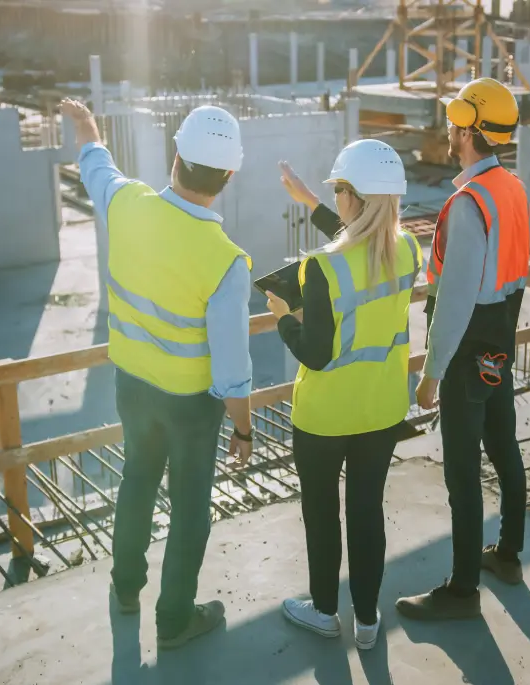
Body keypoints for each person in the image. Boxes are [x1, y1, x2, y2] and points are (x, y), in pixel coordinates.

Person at [61, 98, 256, 649]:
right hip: (191, 407)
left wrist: (87, 127)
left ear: (175, 156)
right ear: (229, 175)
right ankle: (173, 621)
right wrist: (242, 429)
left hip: (132, 387)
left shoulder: (128, 203)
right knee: (191, 507)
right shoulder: (225, 260)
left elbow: (97, 165)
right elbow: (233, 369)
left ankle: (125, 589)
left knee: (137, 482)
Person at [266, 140, 421, 650]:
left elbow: (313, 352)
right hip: (381, 410)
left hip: (324, 418)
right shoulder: (408, 251)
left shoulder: (320, 269)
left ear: (353, 196)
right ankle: (369, 622)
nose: (337, 198)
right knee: (366, 511)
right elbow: (362, 242)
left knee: (321, 514)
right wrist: (311, 200)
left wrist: (283, 318)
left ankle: (326, 611)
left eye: (338, 191)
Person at [394, 78, 530, 621]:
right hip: (500, 342)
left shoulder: (468, 205)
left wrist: (432, 372)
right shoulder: (512, 189)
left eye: (455, 122)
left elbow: (454, 302)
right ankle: (510, 555)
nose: (449, 129)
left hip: (469, 346)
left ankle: (463, 590)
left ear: (470, 130)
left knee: (461, 471)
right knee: (503, 445)